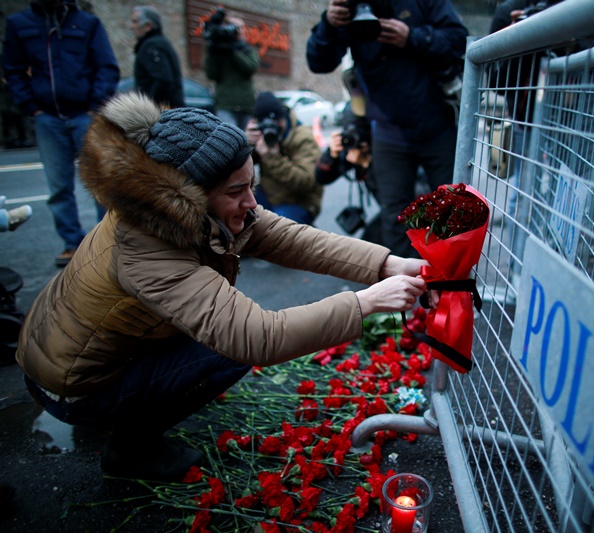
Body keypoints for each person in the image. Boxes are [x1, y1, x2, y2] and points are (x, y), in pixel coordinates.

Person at [16, 92, 430, 482]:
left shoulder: (174, 209)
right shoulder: (146, 248)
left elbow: (291, 237)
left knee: (221, 324)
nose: (252, 202)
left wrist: (387, 264)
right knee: (227, 348)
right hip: (72, 385)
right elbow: (257, 337)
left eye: (252, 184)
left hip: (86, 349)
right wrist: (368, 302)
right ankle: (130, 449)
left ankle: (129, 407)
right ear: (190, 194)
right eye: (237, 192)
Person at [306, 0, 468, 257]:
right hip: (388, 130)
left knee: (451, 210)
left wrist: (413, 37)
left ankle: (452, 282)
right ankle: (404, 286)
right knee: (396, 216)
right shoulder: (351, 9)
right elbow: (318, 62)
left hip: (437, 123)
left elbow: (460, 40)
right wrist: (329, 23)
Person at [2, 0, 119, 267]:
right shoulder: (20, 24)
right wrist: (32, 108)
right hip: (47, 116)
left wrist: (94, 106)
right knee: (58, 185)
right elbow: (13, 70)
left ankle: (109, 240)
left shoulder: (86, 23)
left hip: (85, 114)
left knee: (101, 180)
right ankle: (72, 244)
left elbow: (106, 66)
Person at [246, 91, 324, 225]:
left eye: (277, 121)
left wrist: (271, 158)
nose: (273, 127)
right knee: (239, 213)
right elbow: (240, 171)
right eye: (267, 123)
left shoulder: (302, 138)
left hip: (299, 201)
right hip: (269, 195)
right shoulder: (259, 136)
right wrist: (246, 144)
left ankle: (302, 234)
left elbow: (306, 181)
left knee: (277, 229)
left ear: (285, 117)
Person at [316, 105, 382, 244]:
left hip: (405, 213)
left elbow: (394, 199)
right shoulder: (351, 147)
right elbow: (321, 178)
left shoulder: (385, 146)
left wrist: (367, 165)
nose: (354, 137)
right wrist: (331, 154)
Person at [203, 8, 259, 130]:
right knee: (229, 141)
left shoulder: (247, 50)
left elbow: (250, 68)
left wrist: (232, 51)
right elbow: (211, 73)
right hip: (225, 104)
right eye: (234, 27)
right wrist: (212, 50)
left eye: (240, 27)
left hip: (246, 105)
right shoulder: (219, 51)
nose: (238, 31)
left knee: (247, 142)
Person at [130, 5, 184, 109]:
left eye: (135, 21)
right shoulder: (159, 43)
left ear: (148, 26)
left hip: (161, 115)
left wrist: (147, 107)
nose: (131, 26)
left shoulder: (151, 46)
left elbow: (164, 80)